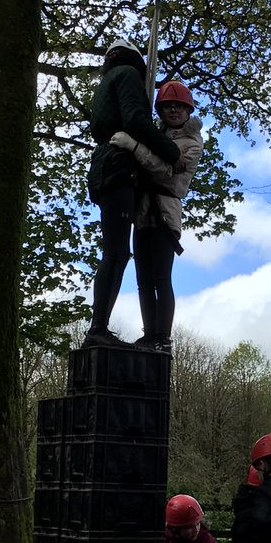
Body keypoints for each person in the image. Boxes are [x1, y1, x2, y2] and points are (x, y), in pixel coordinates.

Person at [84, 38, 181, 348]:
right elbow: (135, 120)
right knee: (116, 253)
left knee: (115, 251)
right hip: (118, 167)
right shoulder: (126, 75)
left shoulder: (105, 84)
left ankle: (100, 325)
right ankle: (98, 327)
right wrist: (169, 150)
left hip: (104, 167)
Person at [108, 79, 203, 353]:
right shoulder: (154, 135)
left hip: (165, 212)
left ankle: (163, 337)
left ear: (188, 111)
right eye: (168, 106)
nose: (173, 111)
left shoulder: (192, 145)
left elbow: (165, 171)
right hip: (143, 212)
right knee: (143, 281)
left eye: (179, 107)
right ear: (160, 111)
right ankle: (149, 334)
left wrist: (135, 147)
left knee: (161, 278)